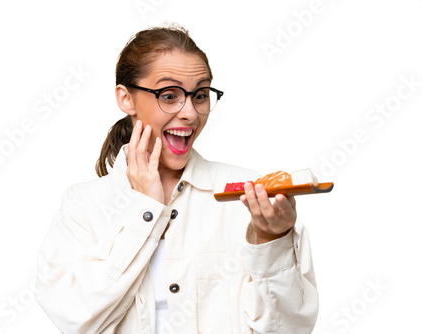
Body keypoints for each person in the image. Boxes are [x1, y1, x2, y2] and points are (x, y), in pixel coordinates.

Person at [35, 25, 318, 334]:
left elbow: (291, 329)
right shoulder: (84, 205)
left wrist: (271, 241)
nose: (190, 114)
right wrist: (146, 208)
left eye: (199, 95)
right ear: (126, 98)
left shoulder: (250, 196)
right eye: (169, 96)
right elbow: (76, 320)